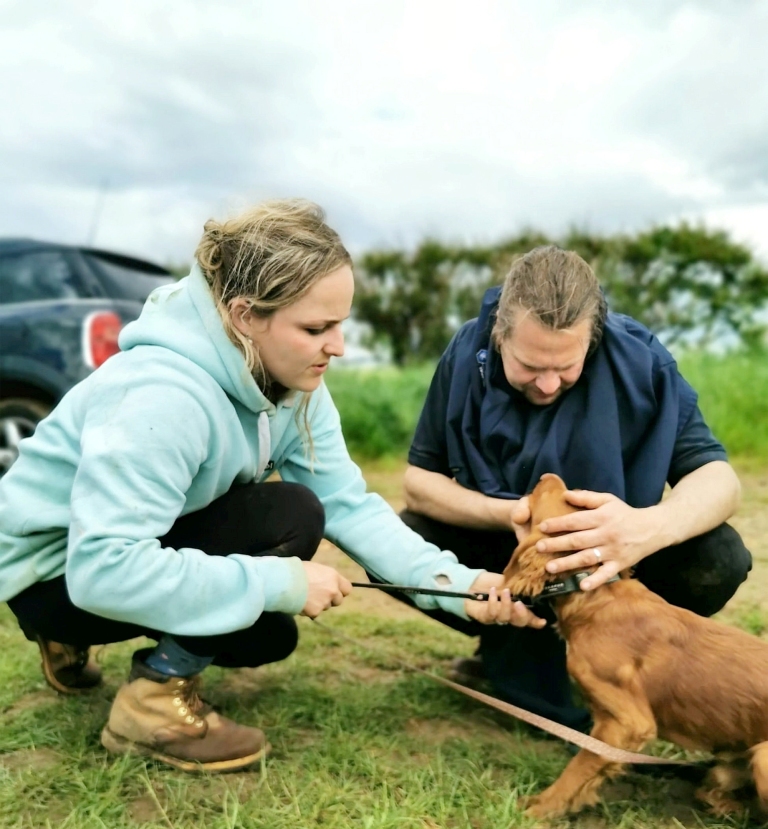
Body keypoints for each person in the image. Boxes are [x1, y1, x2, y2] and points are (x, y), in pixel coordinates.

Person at [0, 200, 527, 773]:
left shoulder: (296, 385)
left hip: (116, 551)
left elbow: (349, 504)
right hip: (54, 570)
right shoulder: (161, 397)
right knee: (289, 517)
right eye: (316, 328)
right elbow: (102, 570)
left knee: (264, 638)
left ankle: (76, 645)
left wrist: (462, 583)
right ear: (246, 315)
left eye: (341, 323)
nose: (339, 347)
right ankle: (150, 703)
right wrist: (278, 580)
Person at [400, 245, 751, 731]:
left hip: (614, 567)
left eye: (566, 366)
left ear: (594, 339)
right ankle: (506, 645)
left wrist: (647, 527)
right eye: (528, 365)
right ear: (500, 334)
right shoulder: (463, 353)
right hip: (509, 551)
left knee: (719, 558)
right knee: (405, 538)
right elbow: (419, 483)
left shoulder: (644, 360)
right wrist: (506, 514)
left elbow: (720, 479)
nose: (546, 385)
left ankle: (623, 657)